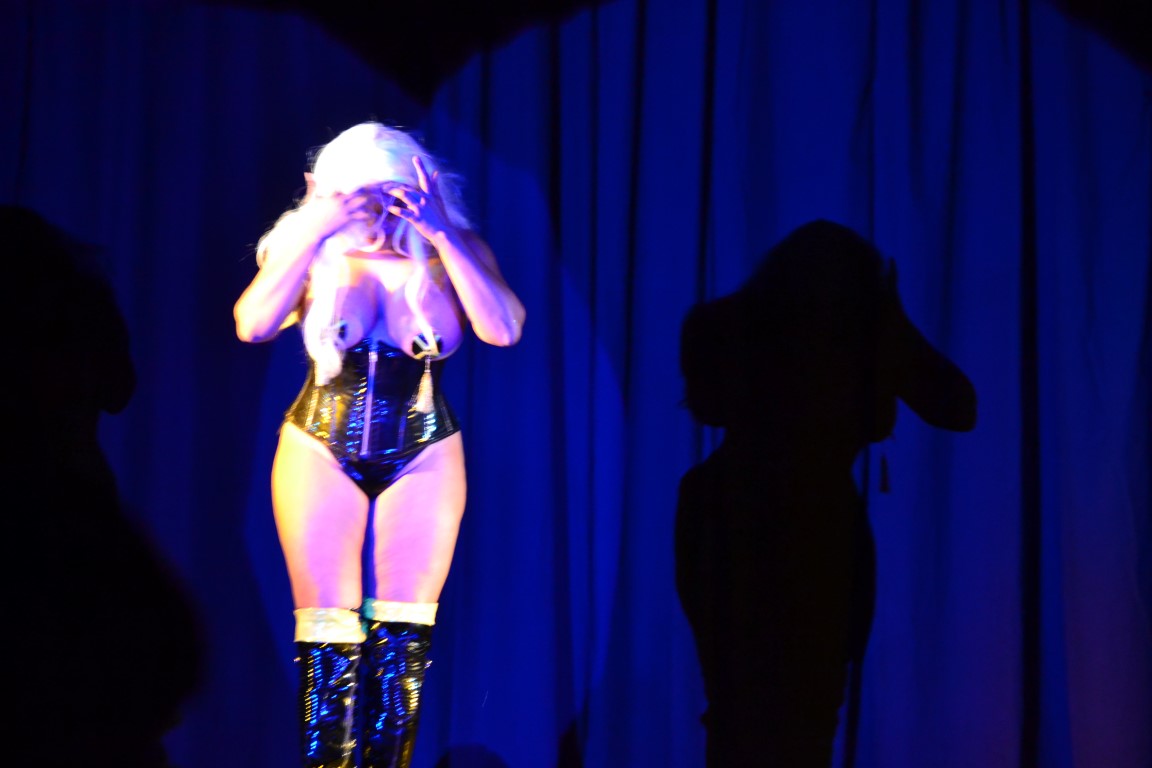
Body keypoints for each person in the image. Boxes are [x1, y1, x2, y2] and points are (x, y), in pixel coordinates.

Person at [233, 122, 526, 768]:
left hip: (424, 451)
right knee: (328, 637)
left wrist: (441, 233)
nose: (375, 217)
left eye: (389, 199)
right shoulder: (310, 254)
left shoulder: (452, 254)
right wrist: (314, 226)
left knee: (403, 640)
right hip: (318, 444)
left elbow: (503, 329)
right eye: (359, 199)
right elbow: (252, 325)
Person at [675, 219, 976, 767]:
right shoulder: (851, 342)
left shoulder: (726, 328)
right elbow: (955, 404)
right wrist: (890, 318)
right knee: (793, 724)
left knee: (751, 719)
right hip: (800, 526)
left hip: (738, 514)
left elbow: (957, 407)